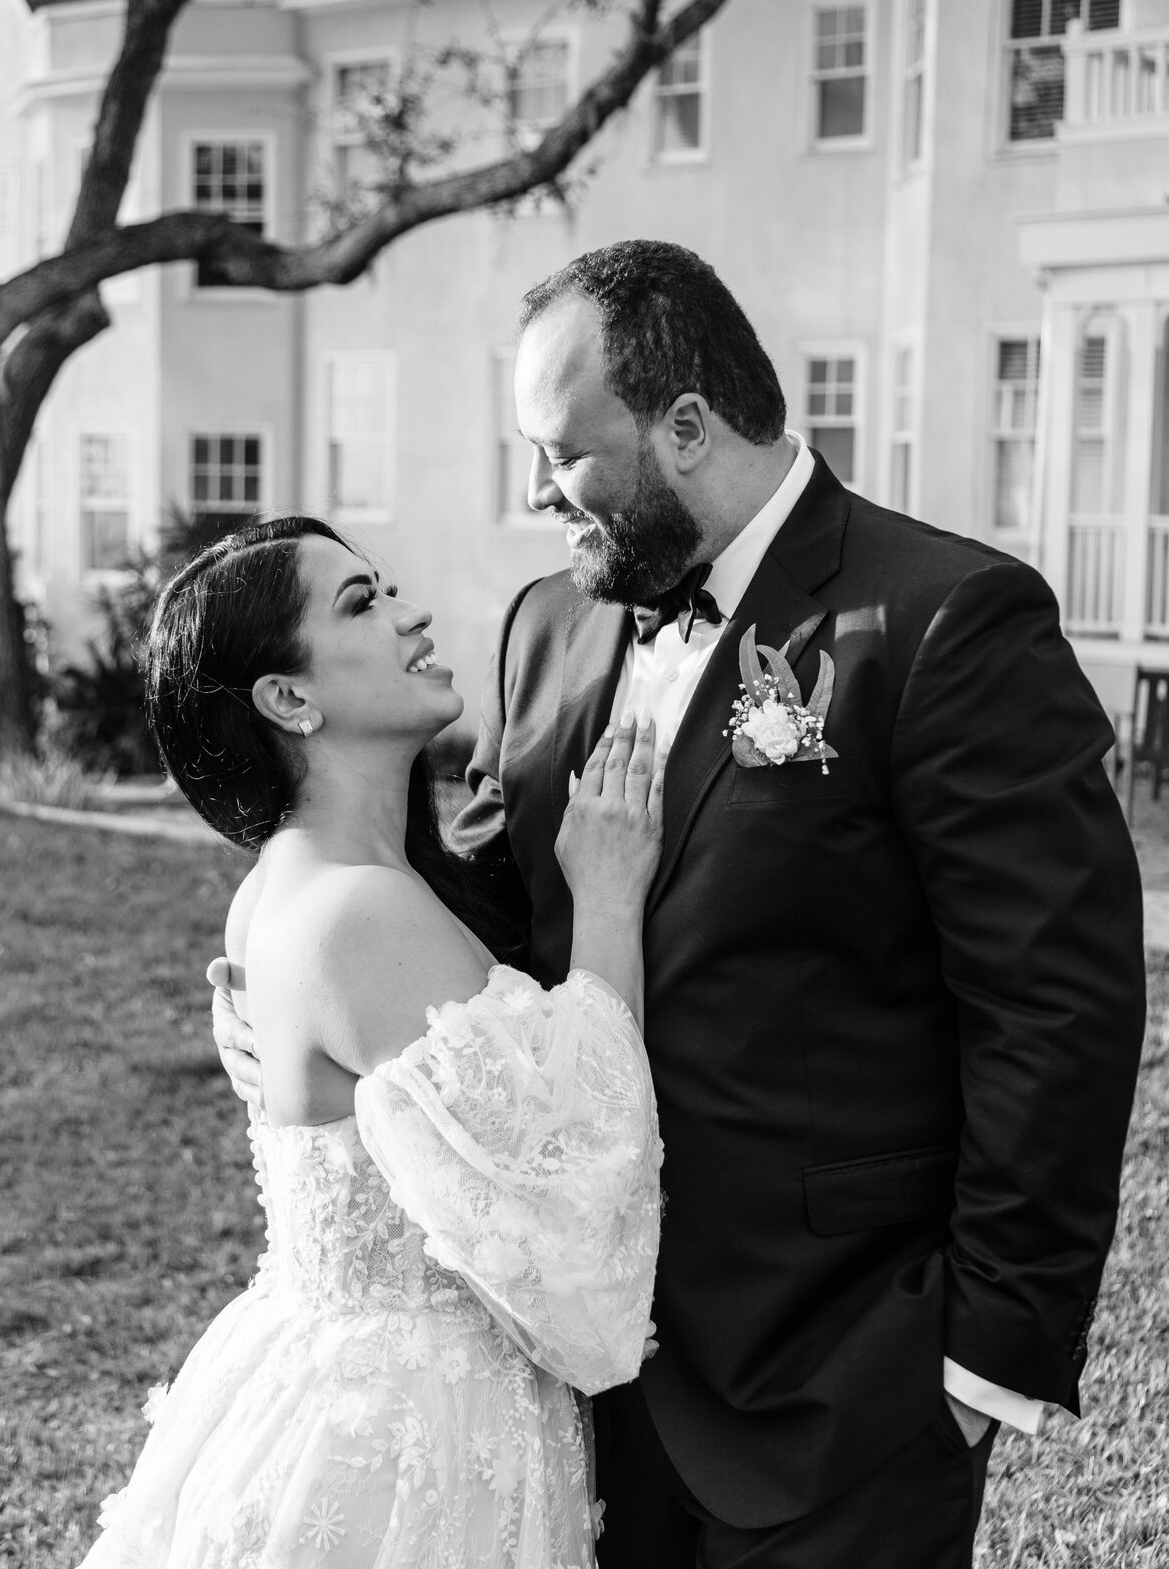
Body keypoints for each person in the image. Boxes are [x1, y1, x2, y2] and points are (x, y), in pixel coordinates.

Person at [213, 241, 1146, 1569]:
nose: (542, 495)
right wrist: (290, 974)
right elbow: (476, 905)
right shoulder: (550, 623)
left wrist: (989, 1355)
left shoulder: (945, 624)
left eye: (566, 456)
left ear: (689, 427)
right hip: (577, 1375)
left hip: (841, 1377)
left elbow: (1059, 1007)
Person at [83, 514, 664, 1569]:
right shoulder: (358, 914)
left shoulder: (288, 885)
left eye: (388, 587)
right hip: (407, 1435)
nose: (412, 613)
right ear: (289, 699)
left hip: (331, 1374)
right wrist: (613, 902)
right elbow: (580, 1178)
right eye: (363, 603)